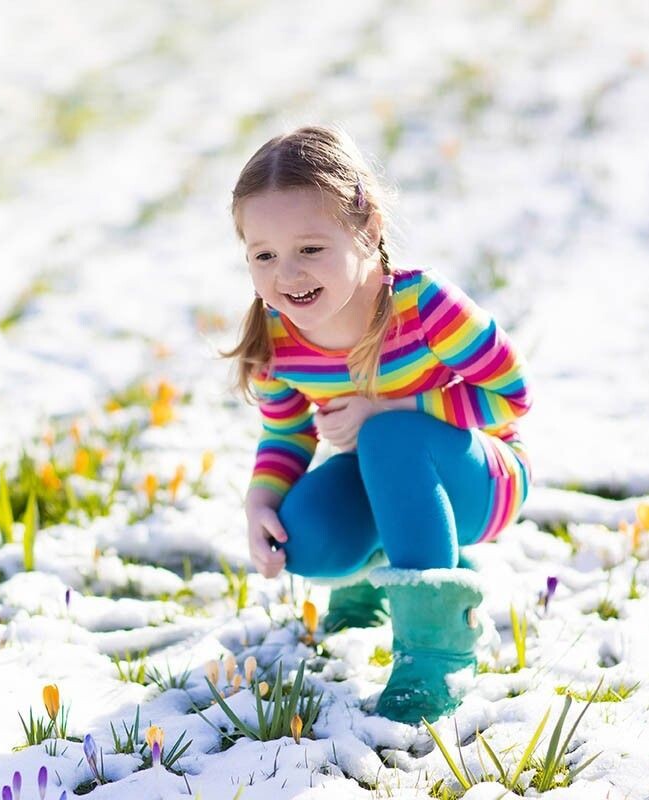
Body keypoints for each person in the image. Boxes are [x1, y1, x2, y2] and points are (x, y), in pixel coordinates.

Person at [219, 124, 534, 724]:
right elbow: (286, 433)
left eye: (310, 248)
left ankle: (437, 650)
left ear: (366, 230)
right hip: (385, 477)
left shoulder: (424, 308)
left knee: (388, 437)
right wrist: (260, 502)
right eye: (264, 256)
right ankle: (379, 582)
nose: (287, 275)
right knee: (304, 535)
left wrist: (394, 409)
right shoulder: (280, 337)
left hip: (481, 479)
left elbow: (511, 396)